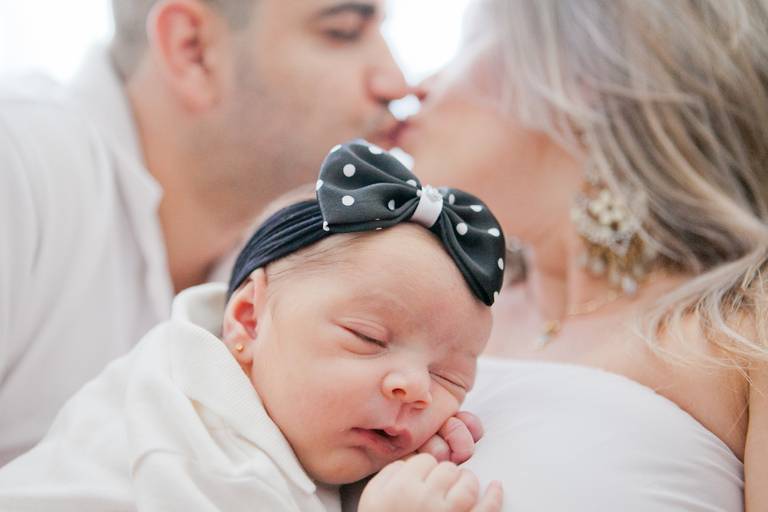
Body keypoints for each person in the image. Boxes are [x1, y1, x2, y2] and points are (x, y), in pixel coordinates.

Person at [0, 0, 412, 464]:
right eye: (343, 31)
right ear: (192, 50)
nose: (396, 83)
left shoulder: (301, 263)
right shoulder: (17, 165)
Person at [395, 0, 768, 510]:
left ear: (580, 77)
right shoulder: (412, 314)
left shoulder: (744, 331)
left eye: (467, 46)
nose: (415, 86)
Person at [0, 141, 505, 512]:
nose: (415, 388)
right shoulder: (196, 436)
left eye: (449, 377)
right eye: (368, 339)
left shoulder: (280, 424)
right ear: (248, 319)